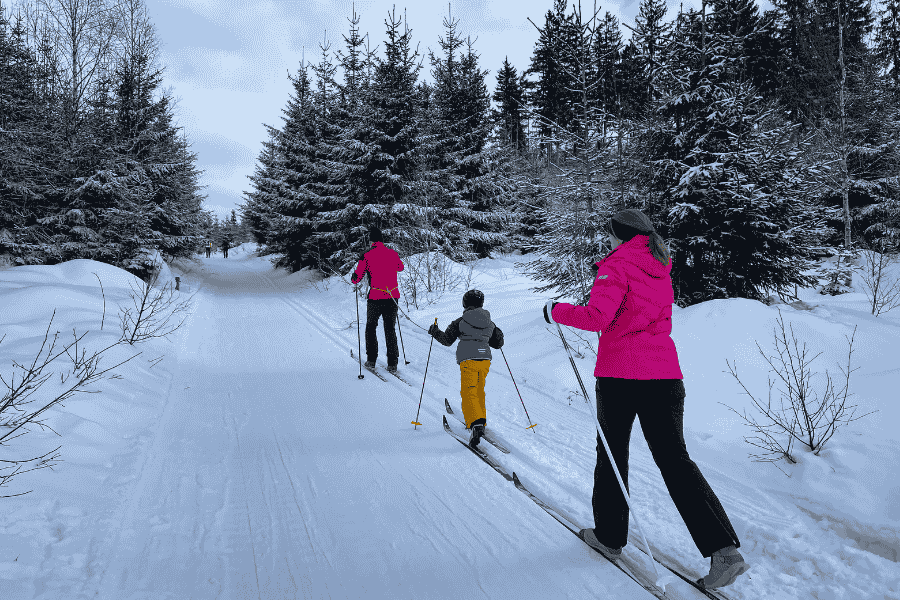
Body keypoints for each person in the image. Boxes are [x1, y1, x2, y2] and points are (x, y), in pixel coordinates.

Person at [543, 208, 750, 590]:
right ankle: (725, 552)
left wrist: (555, 311)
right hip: (665, 375)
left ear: (619, 235)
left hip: (621, 376)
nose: (608, 241)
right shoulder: (660, 265)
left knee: (611, 452)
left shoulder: (616, 266)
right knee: (675, 461)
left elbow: (596, 317)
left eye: (610, 235)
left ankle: (609, 537)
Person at [428, 289, 504, 447]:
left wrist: (435, 331)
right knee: (479, 390)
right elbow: (498, 344)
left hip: (468, 359)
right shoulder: (490, 322)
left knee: (469, 391)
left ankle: (475, 423)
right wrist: (498, 333)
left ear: (465, 303)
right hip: (485, 360)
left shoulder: (460, 321)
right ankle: (481, 421)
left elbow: (447, 340)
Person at [350, 226, 405, 373]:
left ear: (371, 241)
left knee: (370, 327)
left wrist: (354, 277)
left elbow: (357, 278)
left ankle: (371, 360)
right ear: (382, 240)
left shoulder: (366, 256)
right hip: (392, 297)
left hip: (375, 297)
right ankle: (393, 363)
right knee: (390, 328)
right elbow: (400, 267)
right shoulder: (392, 253)